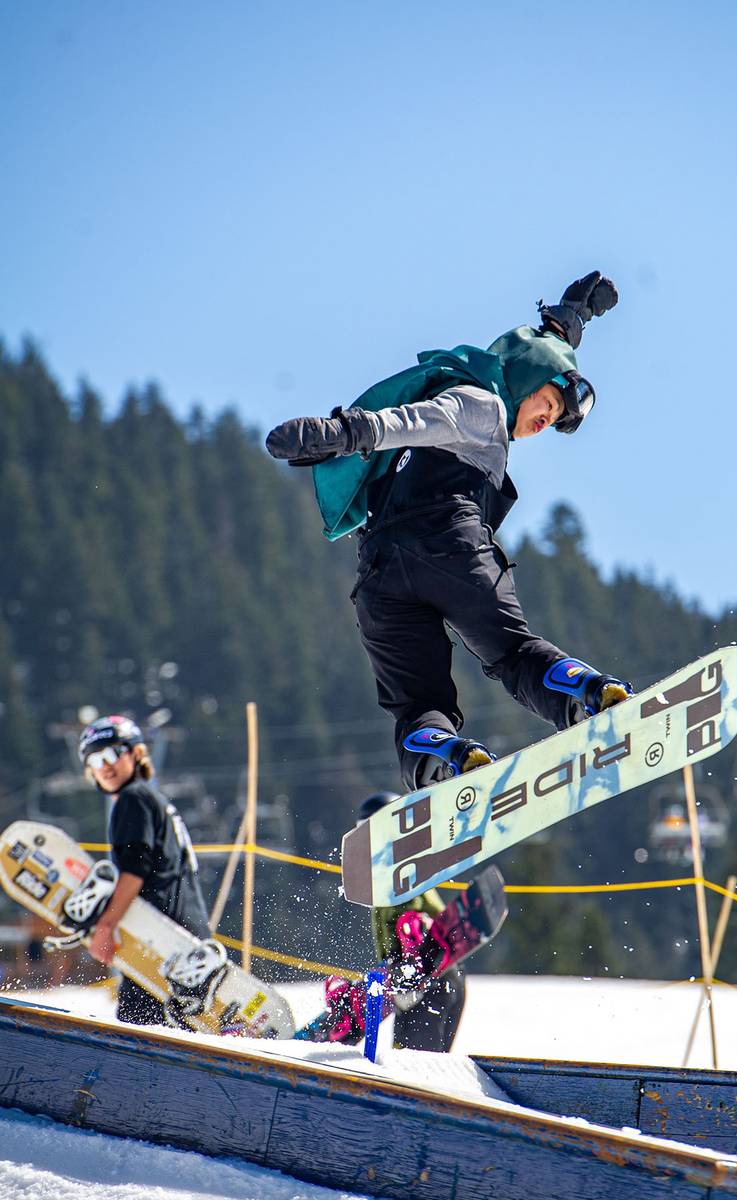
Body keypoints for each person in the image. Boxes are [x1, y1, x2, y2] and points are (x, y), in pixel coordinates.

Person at [266, 271, 633, 791]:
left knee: (418, 703)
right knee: (512, 652)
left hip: (380, 577)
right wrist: (348, 431)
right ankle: (587, 696)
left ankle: (442, 758)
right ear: (526, 382)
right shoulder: (480, 403)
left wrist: (569, 320)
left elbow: (530, 352)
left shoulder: (492, 387)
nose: (544, 421)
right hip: (449, 547)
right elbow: (413, 421)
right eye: (546, 405)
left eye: (553, 419)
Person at [77, 714, 211, 1026]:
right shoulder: (155, 799)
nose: (105, 766)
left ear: (136, 753)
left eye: (113, 753)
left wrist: (106, 926)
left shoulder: (132, 799)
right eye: (95, 760)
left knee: (138, 1042)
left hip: (159, 945)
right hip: (189, 943)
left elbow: (135, 871)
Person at [358, 791, 466, 1052]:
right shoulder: (383, 877)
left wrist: (411, 960)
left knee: (415, 1066)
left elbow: (412, 918)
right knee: (404, 1059)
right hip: (419, 982)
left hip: (433, 981)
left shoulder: (402, 871)